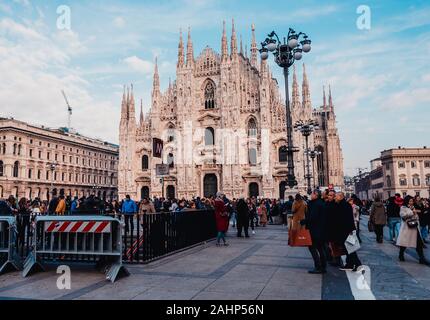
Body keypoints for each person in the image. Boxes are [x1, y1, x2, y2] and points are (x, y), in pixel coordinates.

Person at [333, 192, 362, 272]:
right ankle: (350, 264)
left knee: (349, 248)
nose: (335, 198)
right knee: (347, 248)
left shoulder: (344, 206)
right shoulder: (343, 205)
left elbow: (347, 219)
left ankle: (358, 264)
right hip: (344, 230)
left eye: (336, 196)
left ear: (340, 197)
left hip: (345, 230)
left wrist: (350, 230)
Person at [397, 195, 429, 265]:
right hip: (407, 228)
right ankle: (401, 254)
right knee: (404, 243)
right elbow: (403, 215)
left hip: (414, 227)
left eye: (412, 201)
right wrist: (412, 212)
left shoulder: (412, 207)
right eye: (410, 201)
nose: (411, 202)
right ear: (407, 201)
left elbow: (416, 216)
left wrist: (415, 214)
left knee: (419, 244)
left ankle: (422, 258)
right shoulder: (403, 207)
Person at [303, 189, 327, 274]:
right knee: (321, 248)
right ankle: (323, 266)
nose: (311, 195)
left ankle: (318, 267)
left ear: (316, 195)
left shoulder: (315, 204)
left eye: (312, 194)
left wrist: (304, 221)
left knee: (312, 248)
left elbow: (313, 218)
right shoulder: (321, 203)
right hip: (321, 230)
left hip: (315, 230)